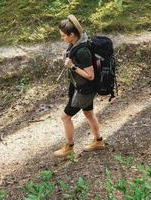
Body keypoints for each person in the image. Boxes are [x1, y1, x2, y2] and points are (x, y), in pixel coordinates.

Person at [54, 15, 105, 158]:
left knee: (65, 117)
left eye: (63, 36)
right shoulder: (76, 44)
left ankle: (69, 147)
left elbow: (90, 75)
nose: (62, 38)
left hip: (85, 90)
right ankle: (98, 141)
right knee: (88, 113)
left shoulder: (82, 51)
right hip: (82, 88)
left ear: (72, 35)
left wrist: (73, 66)